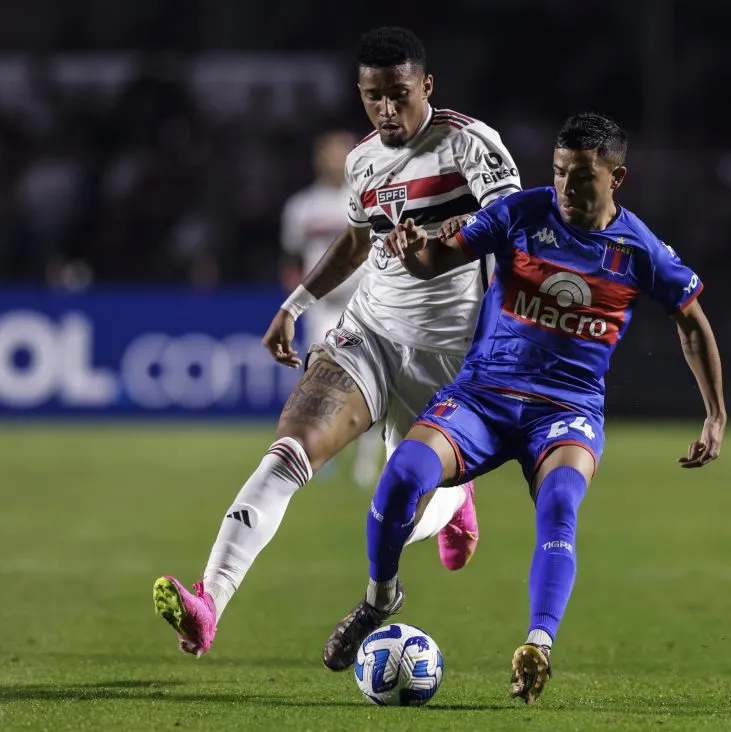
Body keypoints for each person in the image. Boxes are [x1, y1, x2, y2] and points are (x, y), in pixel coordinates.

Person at [321, 113, 727, 704]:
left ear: (618, 178)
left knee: (561, 503)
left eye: (582, 177)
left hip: (565, 409)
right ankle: (379, 599)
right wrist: (413, 250)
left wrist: (715, 414)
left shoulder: (640, 249)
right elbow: (438, 259)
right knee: (403, 475)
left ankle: (537, 644)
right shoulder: (522, 212)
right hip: (482, 395)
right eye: (560, 172)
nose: (566, 187)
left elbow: (692, 324)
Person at [152, 26, 523, 657]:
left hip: (451, 357)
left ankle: (456, 502)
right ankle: (209, 601)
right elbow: (355, 240)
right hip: (369, 333)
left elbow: (519, 229)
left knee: (398, 503)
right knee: (289, 449)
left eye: (399, 95)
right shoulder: (362, 161)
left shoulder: (471, 146)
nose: (386, 110)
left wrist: (461, 234)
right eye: (373, 97)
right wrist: (295, 304)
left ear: (426, 86)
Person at [280, 130, 382, 485]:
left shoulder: (369, 200)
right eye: (329, 153)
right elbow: (291, 258)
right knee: (319, 380)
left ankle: (367, 460)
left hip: (365, 304)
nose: (335, 160)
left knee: (369, 380)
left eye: (342, 152)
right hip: (322, 305)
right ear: (317, 159)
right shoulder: (300, 207)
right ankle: (321, 454)